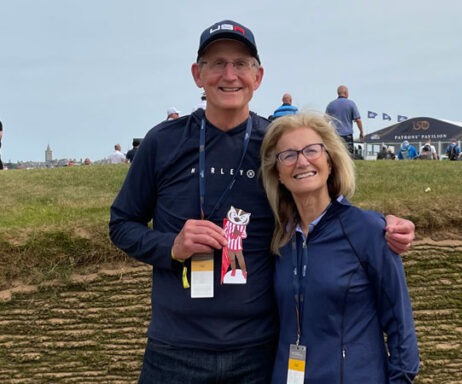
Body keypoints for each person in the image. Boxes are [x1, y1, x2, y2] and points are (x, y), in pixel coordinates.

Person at [109, 19, 416, 384]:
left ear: (258, 77)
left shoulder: (276, 144)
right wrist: (171, 246)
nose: (230, 75)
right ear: (197, 74)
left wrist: (383, 227)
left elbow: (321, 202)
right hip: (175, 350)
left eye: (241, 64)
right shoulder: (162, 142)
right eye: (217, 63)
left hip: (257, 351)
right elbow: (121, 224)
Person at [260, 112, 420, 383]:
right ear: (278, 173)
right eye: (288, 155)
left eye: (312, 150)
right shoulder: (279, 239)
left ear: (330, 161)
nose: (302, 161)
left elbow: (401, 328)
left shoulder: (367, 230)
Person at [325, 85, 363, 156]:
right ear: (345, 93)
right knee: (348, 156)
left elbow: (325, 121)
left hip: (335, 135)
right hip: (347, 135)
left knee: (337, 156)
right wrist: (361, 132)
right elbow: (358, 120)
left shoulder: (331, 105)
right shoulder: (351, 104)